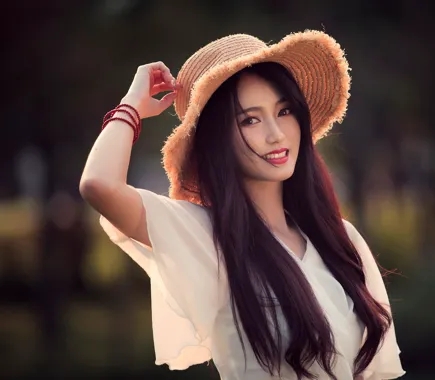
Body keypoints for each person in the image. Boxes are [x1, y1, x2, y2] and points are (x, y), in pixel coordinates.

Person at [80, 31, 405, 380]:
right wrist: (131, 105)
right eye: (250, 119)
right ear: (218, 140)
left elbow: (379, 372)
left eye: (284, 111)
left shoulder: (343, 240)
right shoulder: (205, 236)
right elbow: (99, 184)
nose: (276, 134)